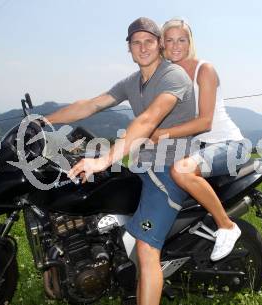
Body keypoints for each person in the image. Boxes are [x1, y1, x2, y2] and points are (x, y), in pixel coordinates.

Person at [46, 17, 195, 305]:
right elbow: (92, 104)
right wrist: (43, 120)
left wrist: (106, 159)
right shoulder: (133, 82)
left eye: (149, 41)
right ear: (129, 48)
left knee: (146, 249)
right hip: (142, 167)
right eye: (136, 42)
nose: (143, 47)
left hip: (169, 170)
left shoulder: (173, 76)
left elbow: (148, 120)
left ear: (160, 44)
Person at [149, 17, 245, 261]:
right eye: (169, 40)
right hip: (198, 146)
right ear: (162, 45)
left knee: (181, 172)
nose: (176, 45)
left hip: (229, 145)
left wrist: (162, 134)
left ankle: (227, 226)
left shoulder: (205, 70)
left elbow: (205, 122)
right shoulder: (168, 76)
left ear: (190, 42)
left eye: (181, 39)